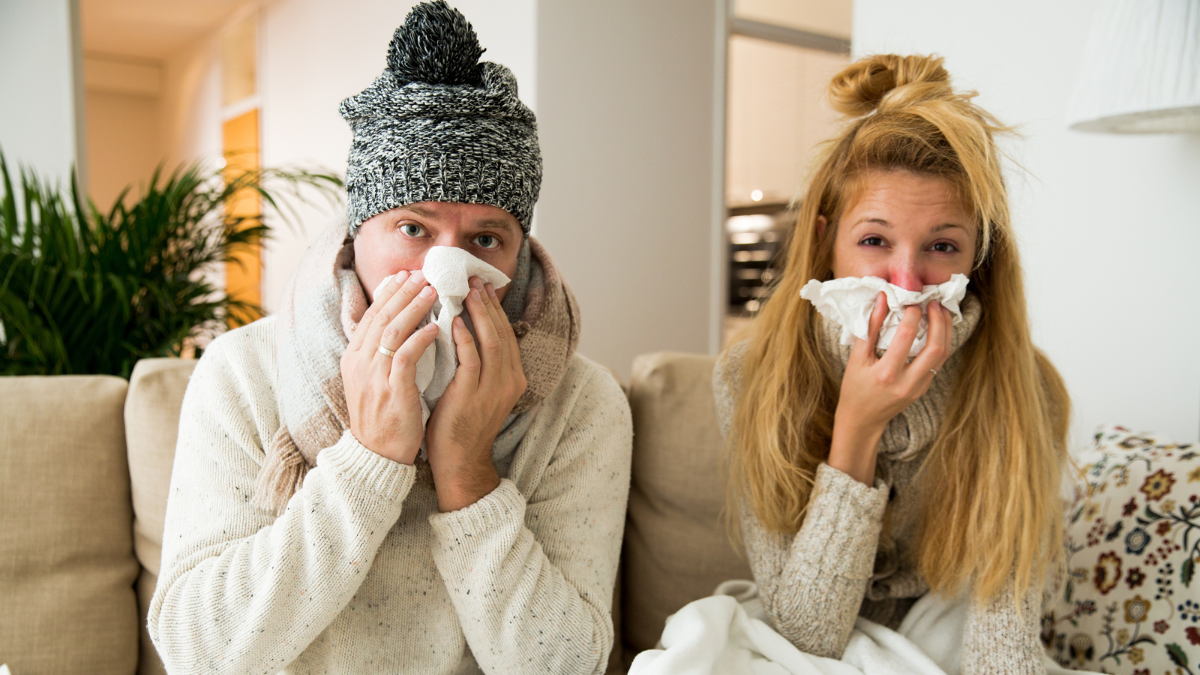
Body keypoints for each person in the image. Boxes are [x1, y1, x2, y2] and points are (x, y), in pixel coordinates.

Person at [147, 3, 632, 673]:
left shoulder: (582, 402)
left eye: (484, 239)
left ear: (519, 253)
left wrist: (467, 470)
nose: (446, 272)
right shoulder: (243, 374)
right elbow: (195, 649)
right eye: (413, 229)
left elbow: (566, 664)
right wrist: (368, 460)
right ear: (358, 230)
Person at [714, 54, 1070, 674]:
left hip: (950, 635)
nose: (906, 281)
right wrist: (858, 427)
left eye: (941, 246)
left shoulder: (1026, 387)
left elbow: (1002, 649)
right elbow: (806, 636)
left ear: (976, 261)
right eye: (875, 240)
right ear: (827, 241)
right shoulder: (750, 375)